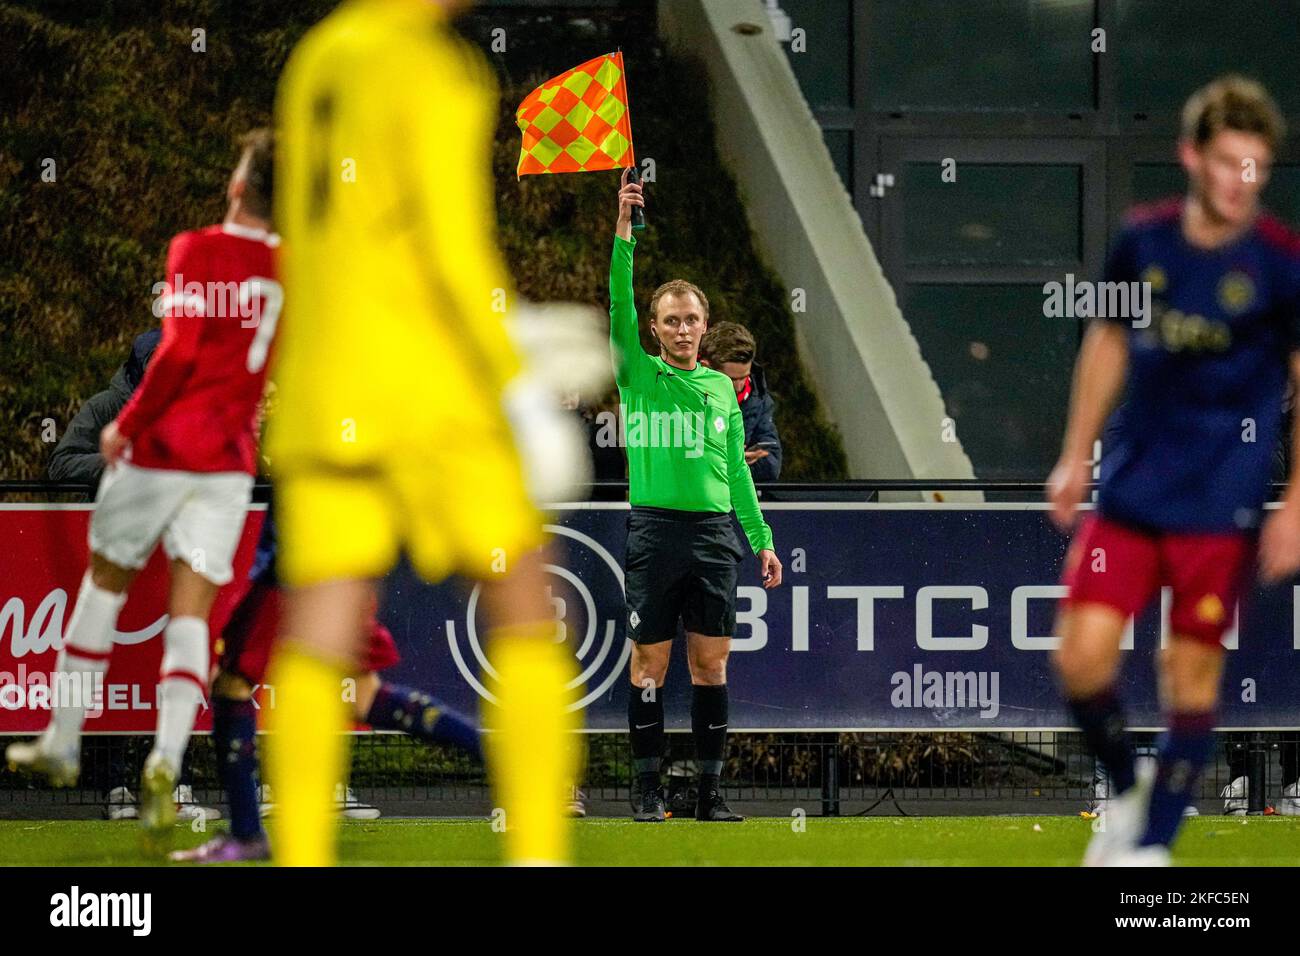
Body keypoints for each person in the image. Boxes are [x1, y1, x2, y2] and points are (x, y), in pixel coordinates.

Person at [266, 0, 602, 866]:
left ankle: (302, 854)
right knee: (525, 605)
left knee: (319, 628)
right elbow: (453, 247)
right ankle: (535, 853)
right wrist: (513, 374)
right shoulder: (434, 68)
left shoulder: (321, 51)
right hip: (429, 392)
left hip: (324, 383)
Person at [1048, 75, 1300, 866]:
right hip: (1128, 492)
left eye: (1257, 167)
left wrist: (1297, 501)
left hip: (1219, 508)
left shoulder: (1281, 265)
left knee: (1188, 677)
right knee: (1080, 658)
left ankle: (1151, 849)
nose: (1242, 182)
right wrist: (1072, 452)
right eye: (1229, 162)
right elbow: (1107, 341)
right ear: (1192, 157)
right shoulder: (1142, 240)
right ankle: (1128, 791)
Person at [7, 129, 280, 856]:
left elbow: (179, 352)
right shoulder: (286, 272)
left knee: (105, 586)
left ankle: (63, 739)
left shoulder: (195, 250)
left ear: (235, 186)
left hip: (168, 448)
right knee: (192, 617)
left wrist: (126, 426)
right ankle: (164, 760)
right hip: (228, 463)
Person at [169, 494, 483, 863]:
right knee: (363, 696)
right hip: (339, 548)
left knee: (232, 684)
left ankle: (247, 833)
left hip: (299, 554)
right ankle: (505, 759)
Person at [611, 169, 783, 823]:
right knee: (648, 667)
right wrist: (625, 225)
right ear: (653, 329)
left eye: (692, 320)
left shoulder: (719, 389)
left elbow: (737, 474)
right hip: (655, 532)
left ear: (704, 326)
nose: (682, 330)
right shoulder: (639, 374)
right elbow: (615, 300)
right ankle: (647, 791)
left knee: (712, 667)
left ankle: (710, 795)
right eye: (671, 321)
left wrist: (761, 541)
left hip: (714, 537)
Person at [700, 321, 782, 482]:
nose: (739, 387)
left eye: (744, 377)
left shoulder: (759, 401)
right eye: (731, 379)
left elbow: (771, 465)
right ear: (706, 368)